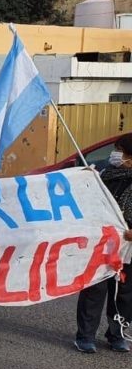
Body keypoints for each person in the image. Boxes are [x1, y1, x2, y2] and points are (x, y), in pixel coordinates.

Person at [75, 134, 132, 353]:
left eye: (120, 150)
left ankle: (116, 335)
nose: (115, 154)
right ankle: (85, 335)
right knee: (94, 289)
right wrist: (87, 180)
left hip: (128, 249)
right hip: (102, 245)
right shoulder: (106, 175)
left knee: (124, 295)